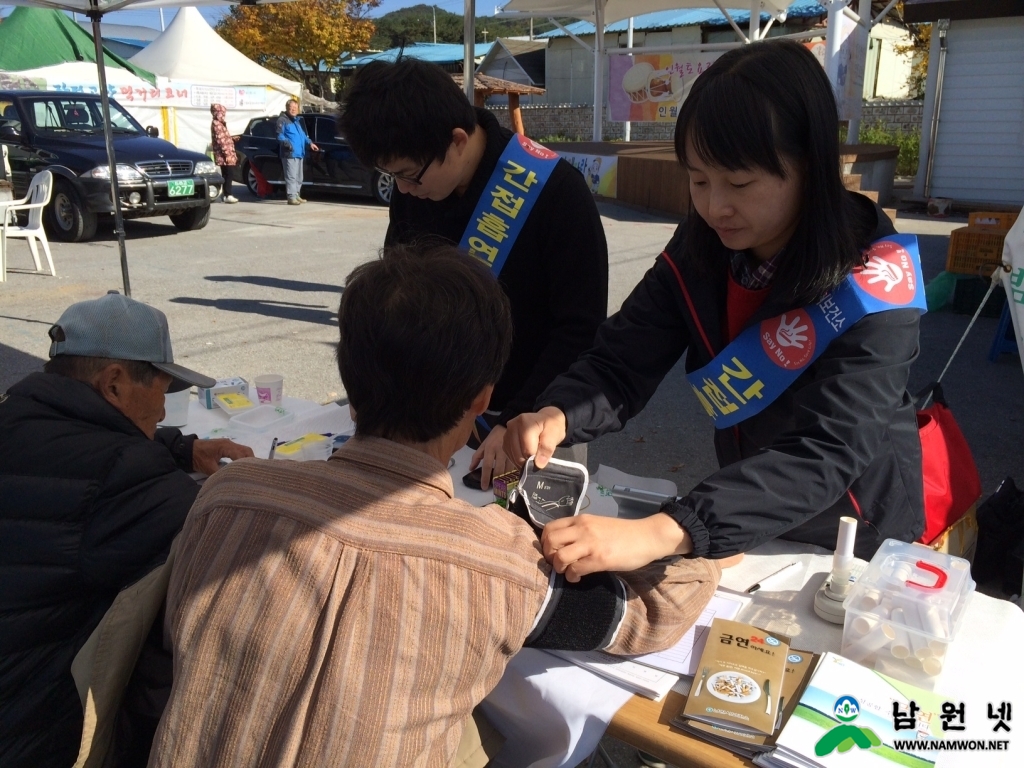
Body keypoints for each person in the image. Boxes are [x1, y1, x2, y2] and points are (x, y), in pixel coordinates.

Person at [149, 245, 720, 768]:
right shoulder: (501, 563)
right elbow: (654, 616)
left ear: (348, 376)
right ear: (482, 398)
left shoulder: (226, 497)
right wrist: (694, 546)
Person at [505, 40, 926, 579]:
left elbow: (830, 446)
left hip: (854, 529)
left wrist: (669, 530)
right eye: (698, 179)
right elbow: (625, 354)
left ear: (810, 165)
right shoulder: (702, 244)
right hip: (744, 506)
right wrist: (557, 412)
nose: (713, 206)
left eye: (740, 183)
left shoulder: (875, 274)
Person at [0, 292, 253, 768]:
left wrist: (181, 447)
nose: (162, 410)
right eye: (160, 388)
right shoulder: (125, 476)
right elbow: (225, 526)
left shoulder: (15, 414)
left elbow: (79, 449)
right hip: (29, 729)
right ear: (114, 384)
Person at [339, 58, 609, 489]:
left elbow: (581, 328)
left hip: (534, 420)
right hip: (434, 424)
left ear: (457, 140)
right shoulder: (416, 187)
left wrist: (519, 419)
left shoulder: (554, 190)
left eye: (408, 175)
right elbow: (401, 300)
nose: (404, 191)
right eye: (392, 177)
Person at [276, 98, 318, 205]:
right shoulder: (282, 120)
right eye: (291, 108)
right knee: (291, 176)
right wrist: (288, 144)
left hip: (300, 153)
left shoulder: (297, 121)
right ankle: (291, 197)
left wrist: (310, 143)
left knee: (299, 177)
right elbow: (279, 135)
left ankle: (296, 194)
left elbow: (303, 136)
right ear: (287, 108)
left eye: (295, 107)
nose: (293, 109)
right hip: (289, 153)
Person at [210, 103, 238, 204]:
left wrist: (231, 139)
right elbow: (221, 141)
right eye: (222, 113)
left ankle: (226, 194)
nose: (223, 115)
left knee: (226, 174)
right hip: (225, 155)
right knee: (229, 174)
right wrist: (227, 154)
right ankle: (228, 194)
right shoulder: (217, 124)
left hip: (226, 153)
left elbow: (224, 138)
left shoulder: (220, 123)